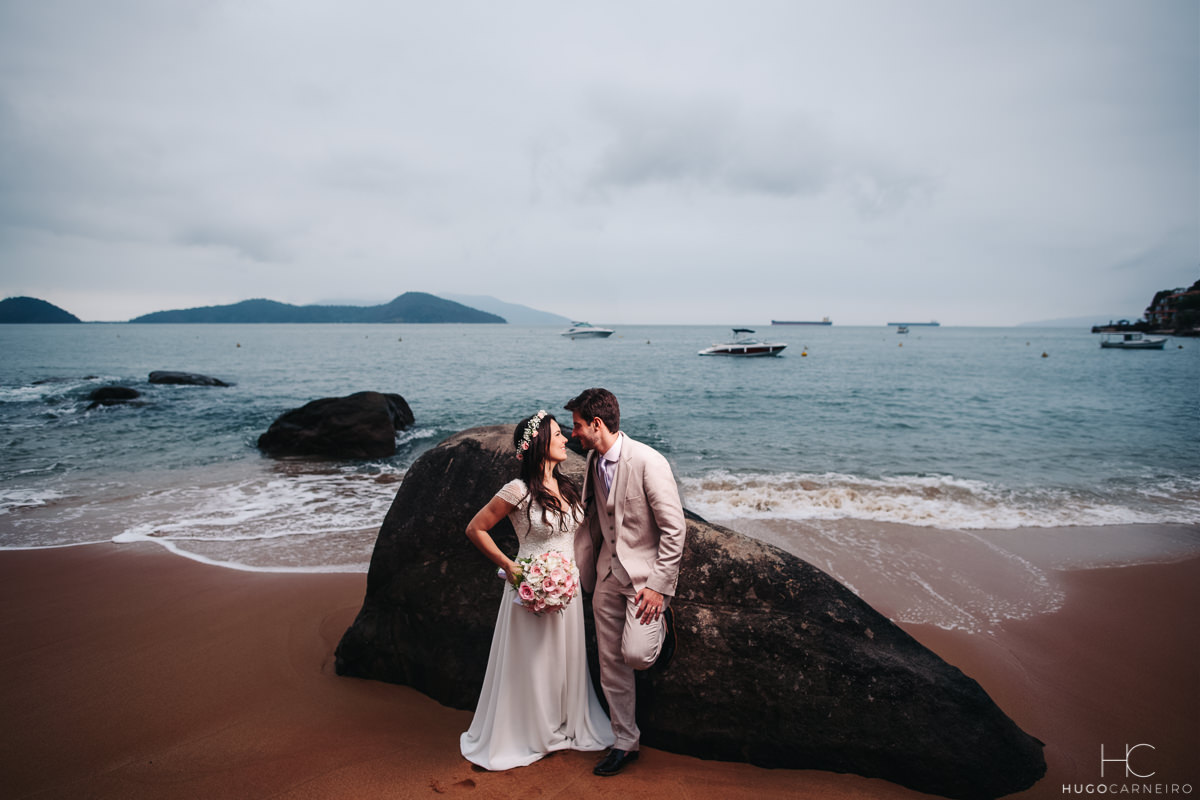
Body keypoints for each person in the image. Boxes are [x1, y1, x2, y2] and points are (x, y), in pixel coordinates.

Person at [459, 410, 615, 770]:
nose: (565, 440)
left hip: (567, 588)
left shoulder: (568, 485)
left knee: (565, 660)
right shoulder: (518, 490)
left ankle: (562, 723)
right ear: (540, 443)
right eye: (558, 434)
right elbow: (475, 528)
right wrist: (511, 567)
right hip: (530, 587)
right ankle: (530, 730)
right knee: (534, 661)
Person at [565, 388, 686, 777]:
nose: (573, 434)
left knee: (636, 655)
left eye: (578, 426)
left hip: (644, 582)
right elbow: (594, 519)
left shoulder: (649, 462)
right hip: (605, 575)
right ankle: (624, 742)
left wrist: (659, 586)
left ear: (597, 424)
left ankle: (663, 625)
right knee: (610, 662)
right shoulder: (591, 460)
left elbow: (674, 529)